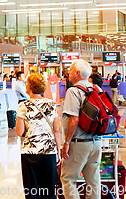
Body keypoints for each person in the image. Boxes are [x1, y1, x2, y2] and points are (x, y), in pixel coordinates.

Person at [15, 74, 61, 199]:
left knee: (32, 191)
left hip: (30, 152)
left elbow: (19, 132)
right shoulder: (51, 104)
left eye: (27, 83)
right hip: (49, 151)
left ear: (31, 86)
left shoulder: (23, 106)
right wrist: (59, 151)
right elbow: (56, 130)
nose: (25, 85)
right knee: (49, 191)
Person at [61, 60, 101, 199]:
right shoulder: (96, 89)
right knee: (94, 182)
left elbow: (74, 120)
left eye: (70, 70)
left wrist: (66, 143)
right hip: (96, 143)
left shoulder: (73, 91)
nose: (68, 73)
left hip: (79, 143)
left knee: (68, 179)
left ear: (77, 73)